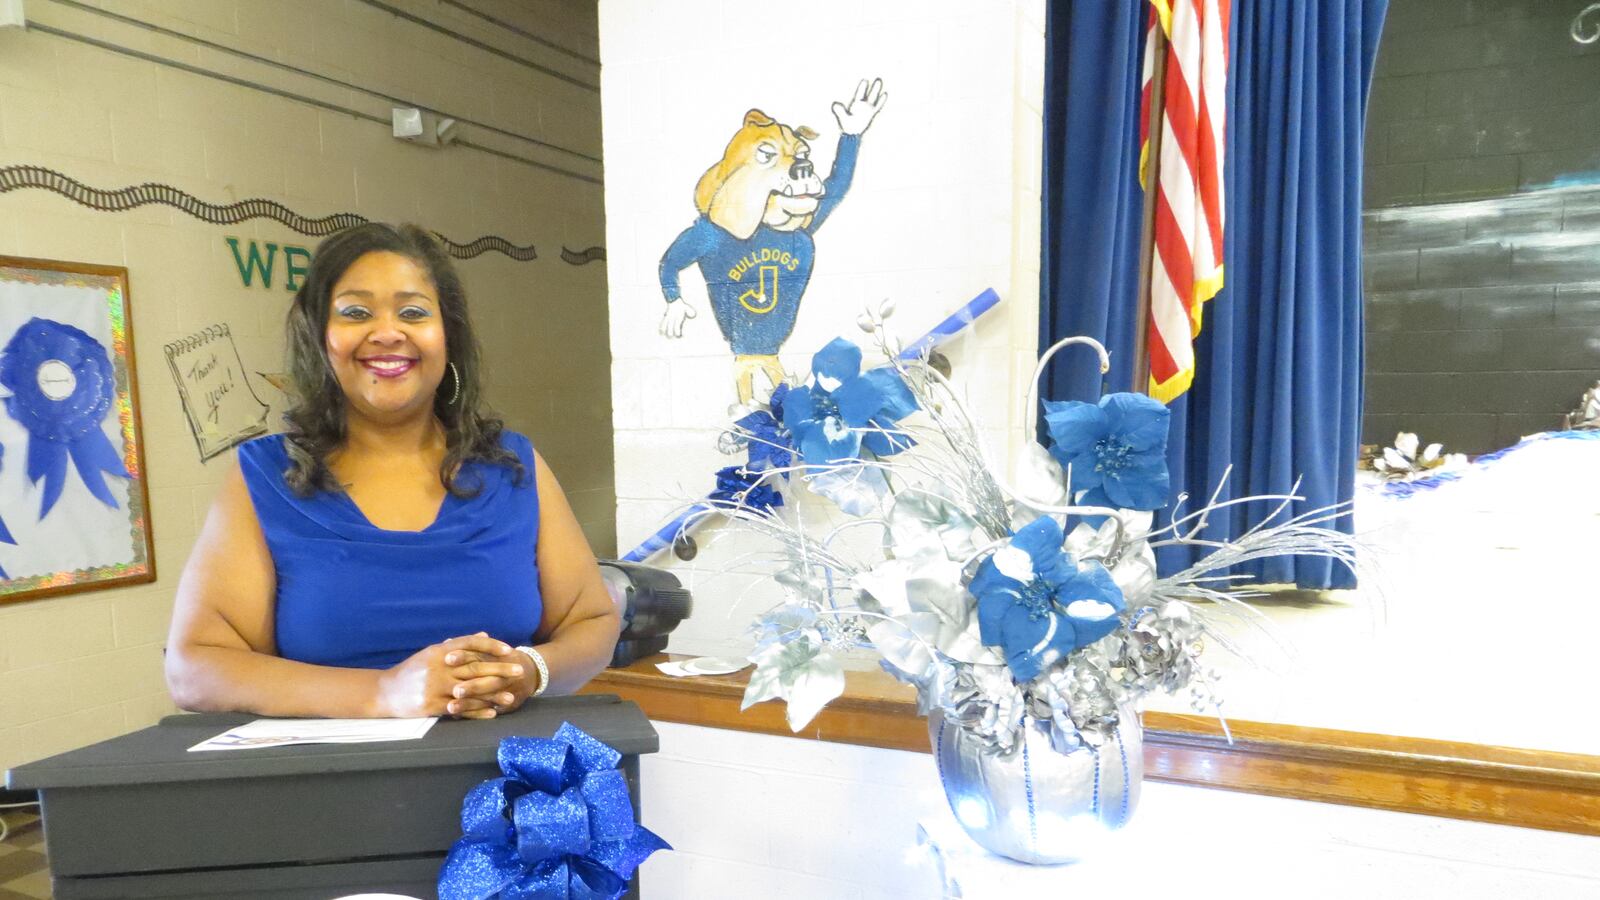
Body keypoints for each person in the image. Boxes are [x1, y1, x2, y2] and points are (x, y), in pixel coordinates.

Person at [165, 223, 620, 720]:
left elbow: (592, 620)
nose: (386, 332)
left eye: (413, 312)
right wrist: (385, 693)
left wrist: (529, 670)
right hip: (338, 788)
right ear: (320, 337)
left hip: (512, 782)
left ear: (448, 336)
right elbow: (194, 669)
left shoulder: (512, 466)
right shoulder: (266, 476)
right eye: (356, 312)